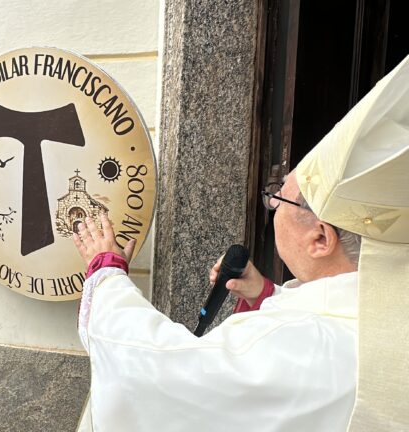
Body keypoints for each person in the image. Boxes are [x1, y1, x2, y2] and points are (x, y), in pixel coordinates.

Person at [74, 54, 409, 431]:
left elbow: (158, 369)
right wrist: (266, 294)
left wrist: (107, 273)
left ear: (320, 237)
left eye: (280, 196)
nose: (272, 205)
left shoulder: (296, 345)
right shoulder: (387, 325)